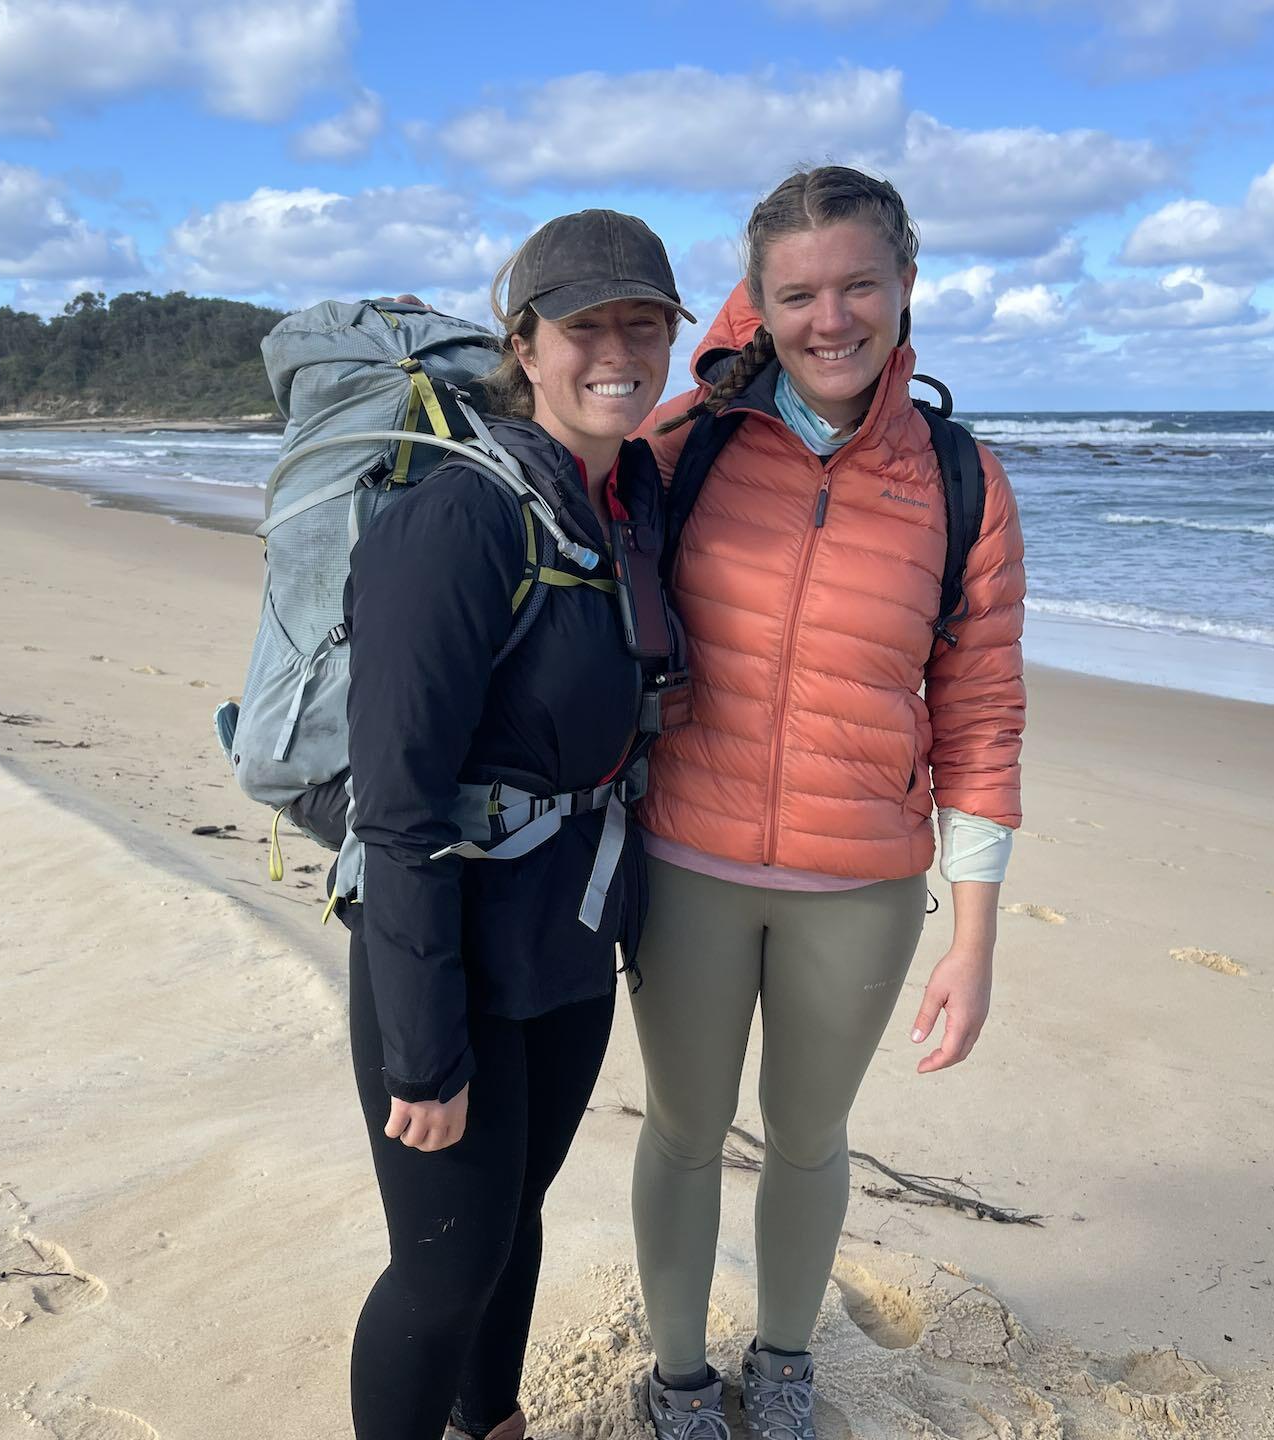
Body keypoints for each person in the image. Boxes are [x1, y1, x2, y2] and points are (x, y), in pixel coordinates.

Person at [628, 167, 1026, 1439]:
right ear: (758, 301)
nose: (831, 317)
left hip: (859, 888)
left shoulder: (962, 482)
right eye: (798, 292)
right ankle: (681, 1377)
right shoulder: (678, 448)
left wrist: (973, 936)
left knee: (808, 1137)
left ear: (908, 285)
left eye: (859, 283)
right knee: (686, 1132)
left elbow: (979, 717)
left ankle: (786, 1363)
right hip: (683, 859)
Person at [341, 209, 694, 1440]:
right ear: (524, 343)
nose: (619, 351)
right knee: (440, 1270)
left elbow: (750, 366)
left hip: (569, 942)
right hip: (447, 958)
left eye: (645, 324)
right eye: (585, 324)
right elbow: (394, 809)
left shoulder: (628, 497)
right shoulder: (461, 518)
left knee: (516, 1217)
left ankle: (490, 1424)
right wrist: (425, 1053)